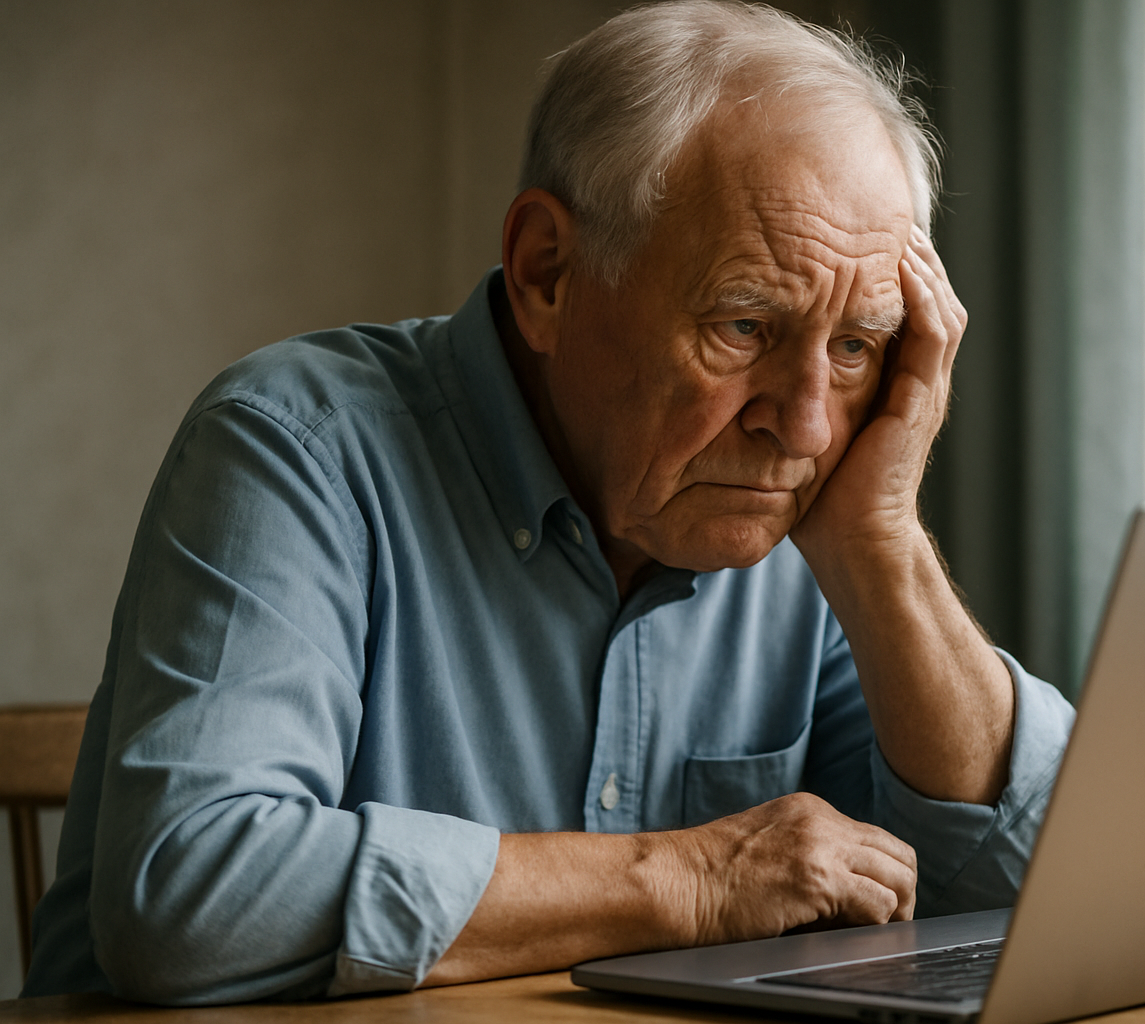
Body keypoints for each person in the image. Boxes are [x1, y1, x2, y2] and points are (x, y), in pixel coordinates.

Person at [23, 0, 1073, 1004]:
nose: (805, 426)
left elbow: (1054, 898)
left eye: (855, 347)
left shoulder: (816, 515)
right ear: (547, 273)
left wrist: (883, 547)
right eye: (745, 325)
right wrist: (687, 880)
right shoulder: (296, 445)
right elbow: (193, 895)